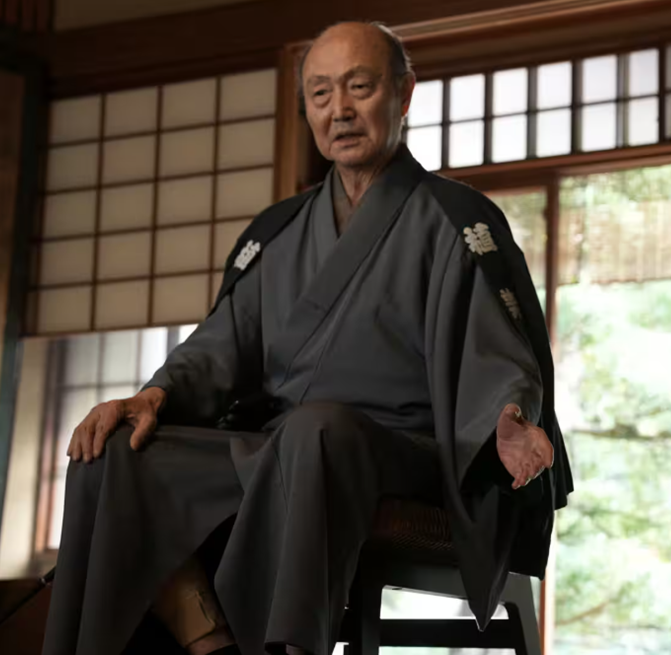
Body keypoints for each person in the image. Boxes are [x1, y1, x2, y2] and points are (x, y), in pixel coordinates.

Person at [44, 21, 571, 655]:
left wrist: (508, 418)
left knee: (316, 430)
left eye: (359, 87)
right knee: (112, 454)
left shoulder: (454, 219)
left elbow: (497, 349)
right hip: (280, 449)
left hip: (406, 455)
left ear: (403, 93)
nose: (339, 109)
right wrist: (155, 395)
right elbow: (219, 346)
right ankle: (209, 639)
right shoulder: (279, 232)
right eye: (320, 94)